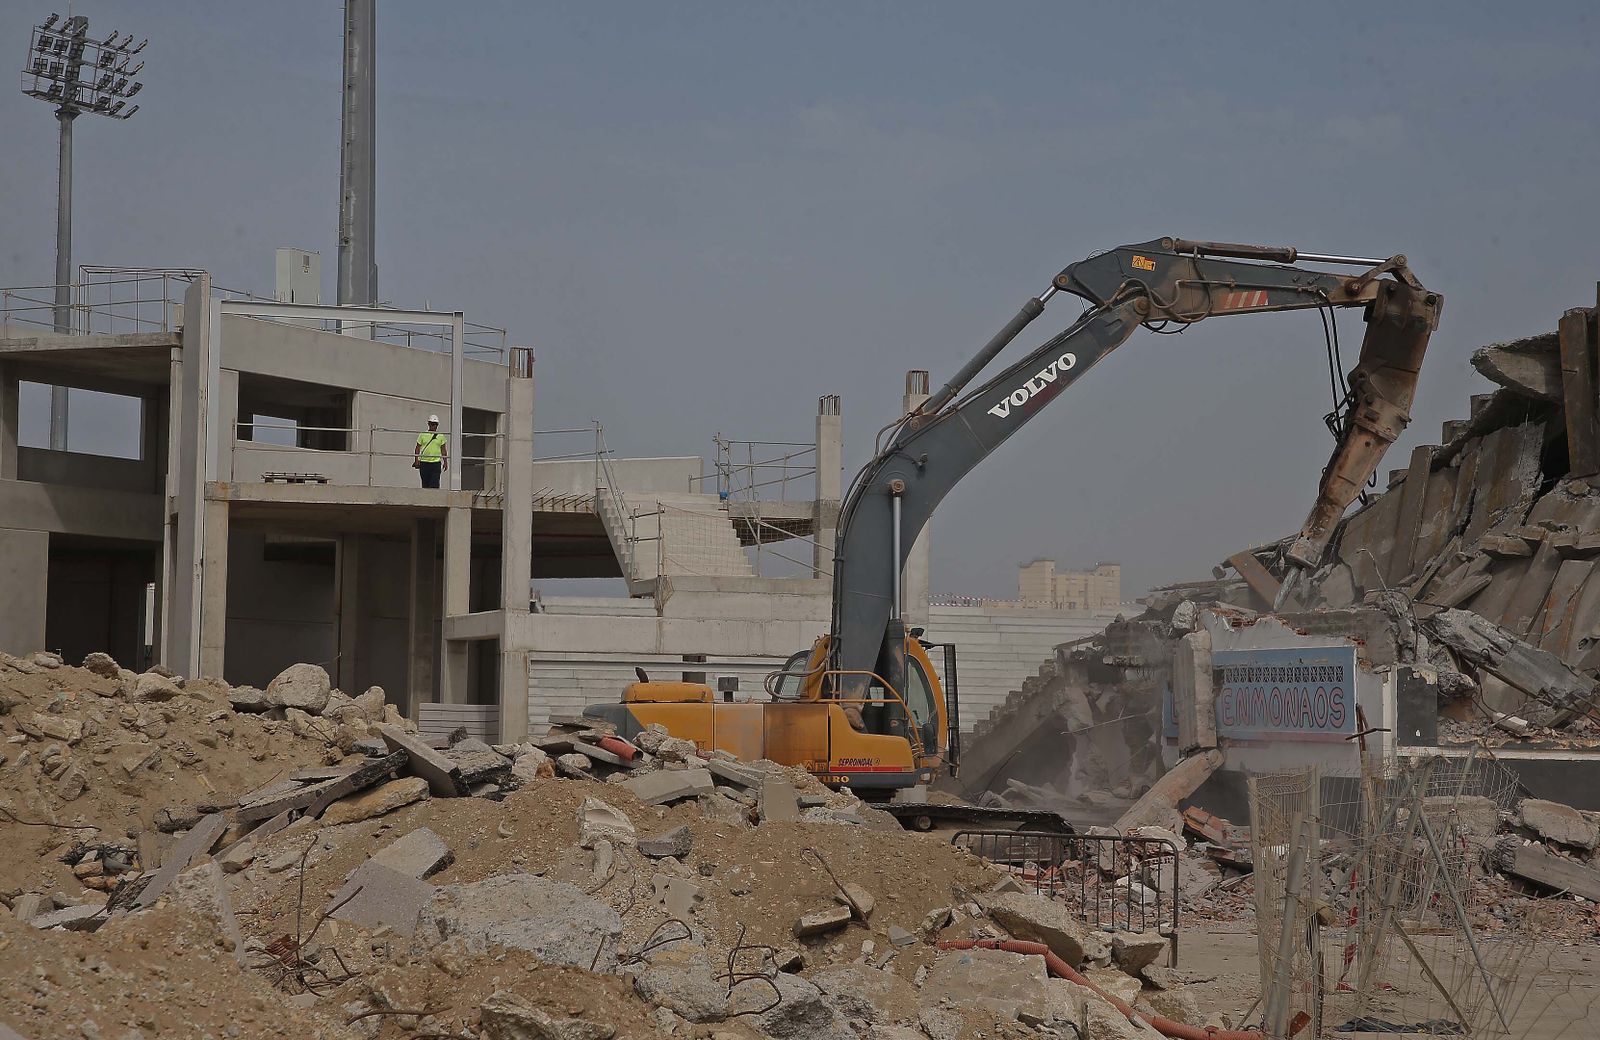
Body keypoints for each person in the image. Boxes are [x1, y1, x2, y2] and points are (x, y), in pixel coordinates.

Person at [414, 415, 448, 488]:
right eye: (432, 424)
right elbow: (417, 448)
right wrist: (416, 460)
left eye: (435, 424)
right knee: (425, 484)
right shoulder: (422, 435)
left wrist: (445, 462)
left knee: (435, 484)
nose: (434, 426)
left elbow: (443, 450)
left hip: (435, 463)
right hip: (424, 463)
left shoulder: (441, 436)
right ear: (429, 424)